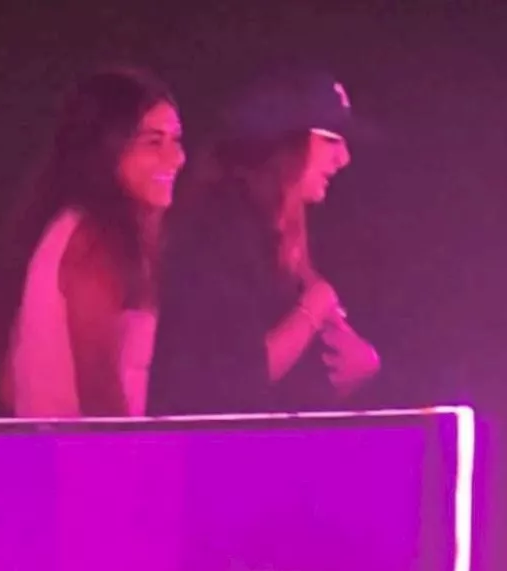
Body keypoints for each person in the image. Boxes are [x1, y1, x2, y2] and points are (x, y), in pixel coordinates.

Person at [148, 70, 379, 416]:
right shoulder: (219, 232)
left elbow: (290, 389)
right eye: (331, 140)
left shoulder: (283, 230)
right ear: (284, 143)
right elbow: (232, 379)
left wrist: (351, 368)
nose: (344, 158)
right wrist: (313, 308)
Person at [0, 67, 186, 417]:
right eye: (153, 142)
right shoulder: (93, 242)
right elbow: (98, 390)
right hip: (83, 451)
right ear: (107, 147)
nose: (176, 158)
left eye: (176, 140)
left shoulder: (73, 228)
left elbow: (9, 383)